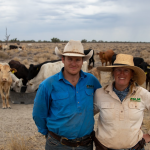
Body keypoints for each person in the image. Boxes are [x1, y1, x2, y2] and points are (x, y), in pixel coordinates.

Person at [32, 40, 101, 150]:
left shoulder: (91, 81)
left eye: (77, 59)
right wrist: (50, 135)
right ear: (63, 59)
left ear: (83, 61)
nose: (73, 63)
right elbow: (38, 114)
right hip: (57, 144)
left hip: (85, 145)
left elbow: (102, 101)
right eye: (70, 59)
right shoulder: (47, 85)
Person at [94, 53, 150, 150]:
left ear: (132, 73)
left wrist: (149, 135)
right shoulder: (100, 94)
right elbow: (85, 115)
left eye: (126, 70)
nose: (122, 73)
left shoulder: (143, 94)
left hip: (135, 148)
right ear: (113, 72)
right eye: (118, 70)